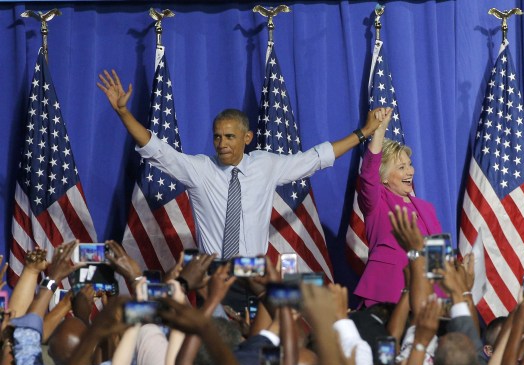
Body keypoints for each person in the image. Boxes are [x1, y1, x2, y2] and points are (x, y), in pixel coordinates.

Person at [97, 69, 385, 258]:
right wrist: (123, 113)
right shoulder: (200, 170)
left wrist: (363, 133)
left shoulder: (265, 164)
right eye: (218, 137)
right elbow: (154, 148)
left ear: (247, 137)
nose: (222, 143)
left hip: (254, 276)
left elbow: (316, 159)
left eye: (230, 136)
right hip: (213, 277)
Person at [354, 107, 442, 306]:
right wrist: (379, 132)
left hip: (426, 295)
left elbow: (437, 257)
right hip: (388, 294)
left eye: (409, 165)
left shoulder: (426, 209)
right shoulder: (376, 203)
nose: (410, 171)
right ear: (383, 177)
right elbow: (368, 175)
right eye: (401, 168)